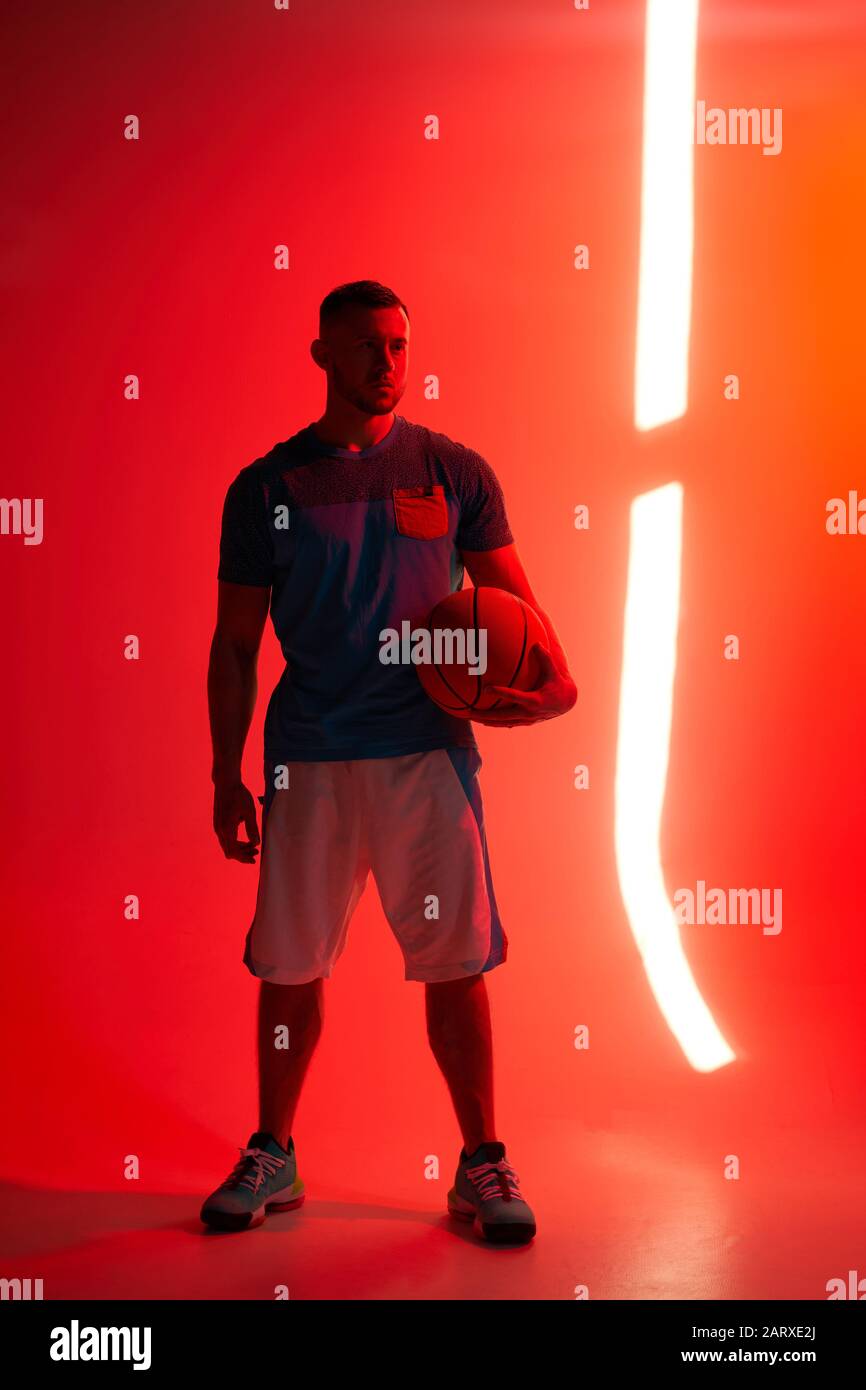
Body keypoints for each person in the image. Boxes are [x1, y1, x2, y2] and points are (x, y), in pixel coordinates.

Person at [201, 280, 577, 1244]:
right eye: (367, 345)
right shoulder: (267, 489)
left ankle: (482, 1162)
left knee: (457, 966)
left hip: (426, 755)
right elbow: (235, 645)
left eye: (399, 344)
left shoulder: (452, 472)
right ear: (322, 355)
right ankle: (274, 1151)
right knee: (289, 968)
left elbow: (518, 610)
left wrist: (550, 683)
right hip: (310, 760)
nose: (387, 361)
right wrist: (224, 773)